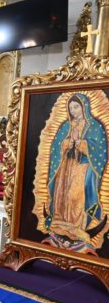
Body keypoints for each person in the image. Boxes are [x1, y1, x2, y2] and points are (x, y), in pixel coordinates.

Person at [45, 93, 107, 250]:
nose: (73, 111)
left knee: (75, 196)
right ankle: (60, 222)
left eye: (76, 107)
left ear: (84, 106)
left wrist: (82, 143)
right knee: (62, 194)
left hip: (83, 167)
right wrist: (67, 143)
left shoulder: (94, 126)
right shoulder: (66, 126)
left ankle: (78, 226)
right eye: (70, 108)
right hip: (65, 166)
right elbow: (56, 147)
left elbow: (100, 150)